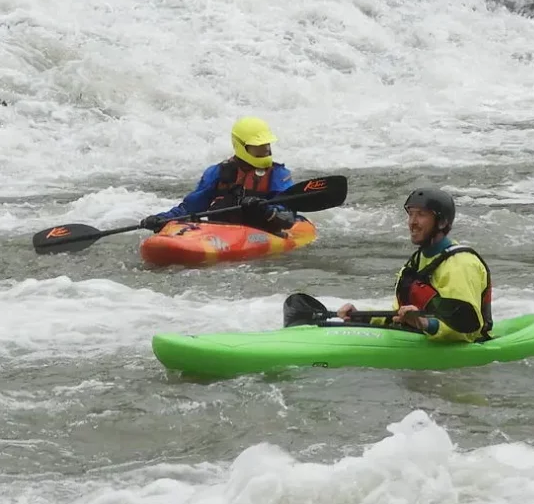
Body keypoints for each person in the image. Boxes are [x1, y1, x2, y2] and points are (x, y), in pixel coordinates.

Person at [321, 187, 492, 342]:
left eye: (421, 215)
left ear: (441, 222)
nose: (412, 222)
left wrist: (425, 324)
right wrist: (362, 316)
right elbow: (399, 314)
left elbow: (467, 329)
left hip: (460, 349)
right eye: (411, 214)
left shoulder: (460, 265)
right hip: (418, 337)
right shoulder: (416, 261)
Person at [141, 116, 298, 233]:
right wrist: (162, 219)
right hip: (223, 233)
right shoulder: (218, 172)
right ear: (240, 146)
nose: (265, 152)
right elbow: (191, 208)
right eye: (258, 148)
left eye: (266, 147)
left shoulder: (278, 174)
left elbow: (288, 217)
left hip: (263, 232)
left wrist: (263, 209)